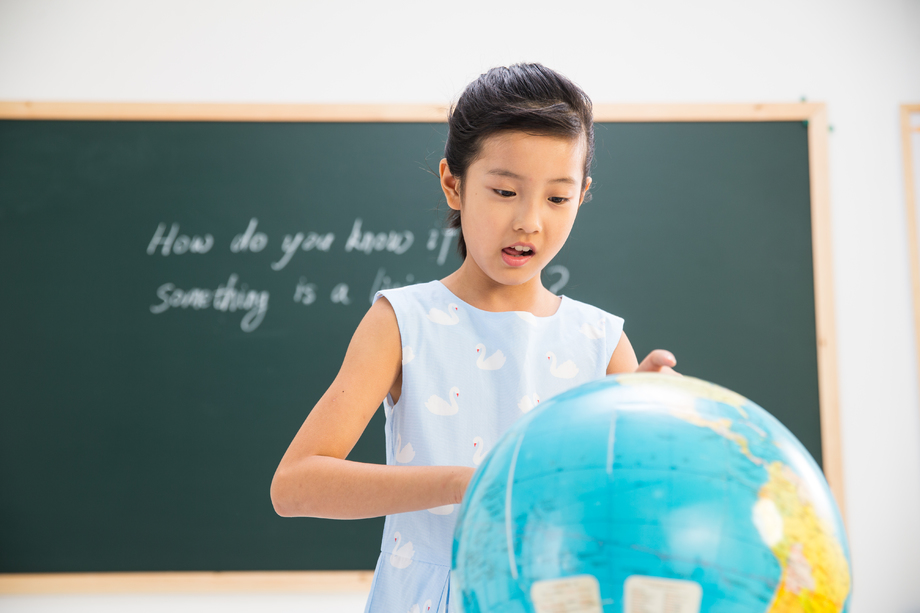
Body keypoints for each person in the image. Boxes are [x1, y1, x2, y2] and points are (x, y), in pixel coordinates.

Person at [270, 63, 678, 613]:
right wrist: (468, 483)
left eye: (557, 198)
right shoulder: (402, 320)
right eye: (505, 190)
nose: (529, 221)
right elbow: (295, 486)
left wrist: (661, 432)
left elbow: (632, 510)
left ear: (582, 196)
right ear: (453, 184)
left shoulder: (601, 341)